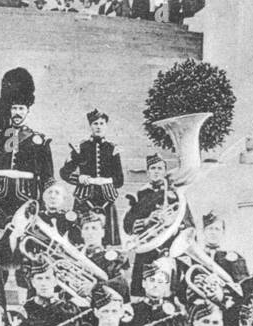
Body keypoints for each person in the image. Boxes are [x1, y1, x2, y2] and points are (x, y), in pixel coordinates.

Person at [0, 69, 55, 233]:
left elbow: (47, 175)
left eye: (21, 108)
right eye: (14, 108)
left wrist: (46, 203)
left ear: (28, 110)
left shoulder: (39, 141)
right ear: (9, 110)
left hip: (26, 199)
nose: (17, 112)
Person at [60, 109, 124, 245]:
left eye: (102, 123)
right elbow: (64, 173)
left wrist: (106, 180)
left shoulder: (112, 149)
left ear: (106, 126)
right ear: (90, 126)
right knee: (79, 237)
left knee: (109, 239)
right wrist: (79, 178)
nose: (99, 126)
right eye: (95, 123)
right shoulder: (81, 148)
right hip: (84, 199)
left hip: (106, 199)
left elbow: (119, 180)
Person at [123, 154, 180, 296]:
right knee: (141, 288)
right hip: (147, 247)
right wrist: (147, 221)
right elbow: (128, 224)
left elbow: (185, 220)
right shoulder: (141, 194)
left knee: (167, 287)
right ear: (148, 172)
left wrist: (171, 221)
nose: (156, 171)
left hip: (167, 246)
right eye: (153, 168)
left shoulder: (175, 195)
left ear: (165, 172)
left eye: (160, 168)